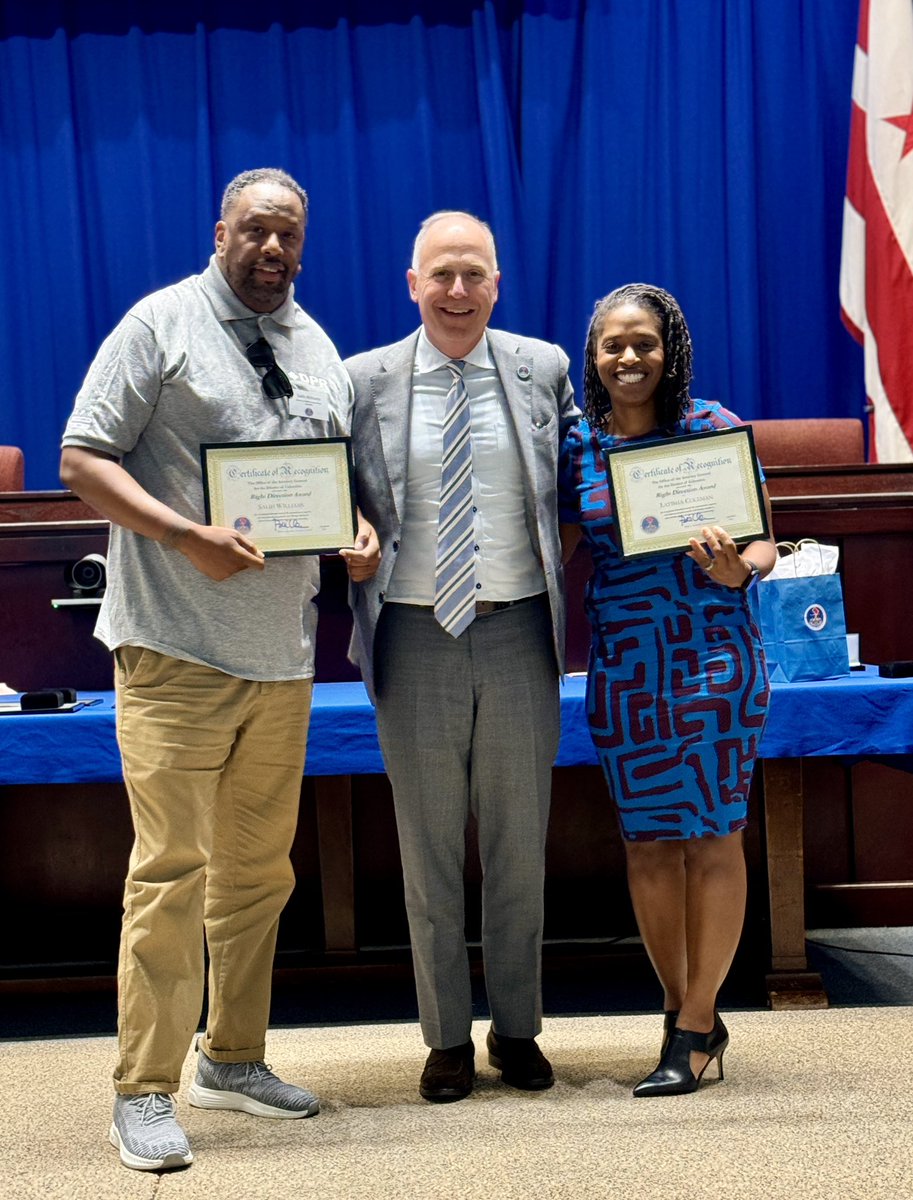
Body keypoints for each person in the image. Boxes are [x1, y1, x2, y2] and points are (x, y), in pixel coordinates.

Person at [59, 167, 379, 1170]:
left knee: (254, 877)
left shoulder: (318, 347)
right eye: (255, 231)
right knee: (169, 873)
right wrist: (178, 533)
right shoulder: (159, 326)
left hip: (281, 664)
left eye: (288, 233)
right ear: (220, 231)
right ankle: (143, 1091)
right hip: (172, 652)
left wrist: (355, 534)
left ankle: (232, 1057)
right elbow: (82, 456)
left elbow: (323, 491)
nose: (272, 249)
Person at [345, 211, 580, 1102]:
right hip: (411, 630)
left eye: (472, 274)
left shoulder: (543, 368)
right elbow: (331, 489)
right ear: (411, 283)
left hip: (520, 629)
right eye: (439, 275)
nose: (455, 291)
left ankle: (516, 1031)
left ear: (497, 283)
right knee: (429, 848)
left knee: (520, 846)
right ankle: (444, 1038)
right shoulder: (361, 379)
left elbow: (595, 473)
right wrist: (351, 535)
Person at [559, 283, 777, 1096]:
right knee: (648, 844)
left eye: (644, 343)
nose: (627, 357)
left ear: (670, 349)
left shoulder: (712, 430)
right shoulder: (577, 444)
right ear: (593, 356)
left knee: (714, 835)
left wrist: (737, 567)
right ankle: (680, 1009)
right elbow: (551, 551)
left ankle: (695, 1022)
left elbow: (762, 546)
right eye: (612, 344)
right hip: (624, 670)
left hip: (713, 660)